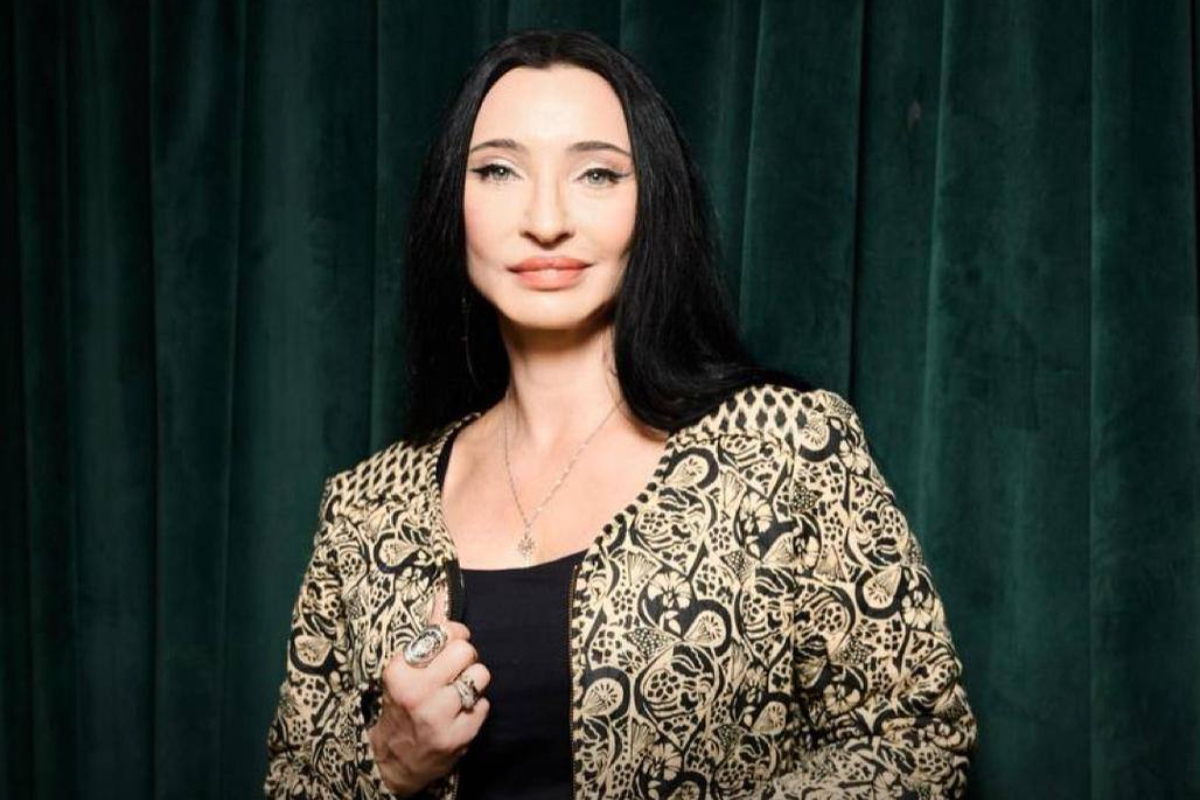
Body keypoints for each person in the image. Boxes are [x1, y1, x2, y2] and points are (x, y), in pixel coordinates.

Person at [264, 28, 977, 800]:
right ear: (451, 205)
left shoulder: (785, 449)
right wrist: (386, 764)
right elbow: (291, 783)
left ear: (651, 204)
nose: (546, 219)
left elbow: (918, 737)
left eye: (597, 173)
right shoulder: (364, 510)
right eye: (498, 170)